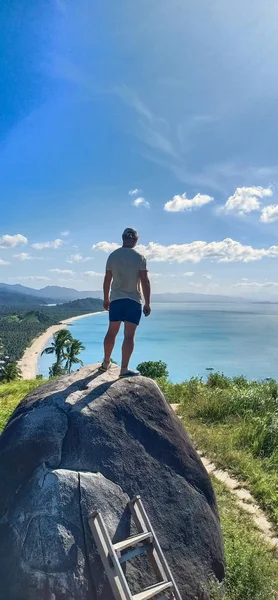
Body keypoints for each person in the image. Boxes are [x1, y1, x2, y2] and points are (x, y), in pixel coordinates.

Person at [100, 227, 151, 377]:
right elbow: (145, 281)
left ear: (123, 238)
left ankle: (106, 363)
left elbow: (107, 279)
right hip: (133, 301)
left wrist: (106, 299)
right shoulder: (139, 257)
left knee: (112, 332)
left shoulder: (113, 256)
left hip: (116, 299)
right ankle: (123, 369)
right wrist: (147, 302)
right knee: (129, 336)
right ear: (135, 239)